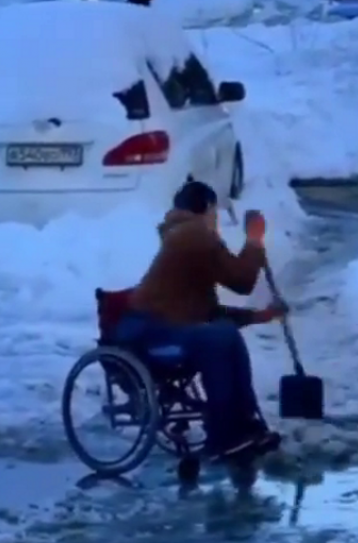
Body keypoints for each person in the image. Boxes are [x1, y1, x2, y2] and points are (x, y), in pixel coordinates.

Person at [115, 179, 286, 463]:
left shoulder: (183, 236)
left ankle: (243, 423)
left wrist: (260, 316)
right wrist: (254, 240)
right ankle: (224, 434)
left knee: (223, 332)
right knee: (216, 339)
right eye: (215, 214)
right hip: (151, 335)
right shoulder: (193, 235)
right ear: (206, 209)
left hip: (156, 329)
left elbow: (208, 311)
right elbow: (242, 281)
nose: (216, 221)